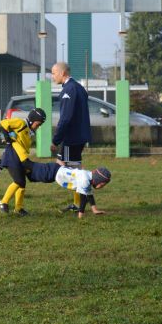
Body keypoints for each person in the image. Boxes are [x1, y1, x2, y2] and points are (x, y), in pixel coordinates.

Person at [50, 61, 92, 213]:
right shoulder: (79, 87)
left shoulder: (68, 90)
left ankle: (82, 200)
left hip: (71, 138)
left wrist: (56, 140)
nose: (52, 76)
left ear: (62, 73)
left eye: (54, 73)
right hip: (80, 136)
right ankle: (79, 203)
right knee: (75, 169)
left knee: (63, 167)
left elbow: (66, 118)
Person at [0, 108, 46, 216]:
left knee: (22, 183)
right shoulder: (21, 122)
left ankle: (19, 208)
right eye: (38, 124)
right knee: (18, 181)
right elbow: (3, 123)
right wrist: (7, 137)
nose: (38, 127)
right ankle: (2, 202)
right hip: (12, 156)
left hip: (20, 158)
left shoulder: (30, 132)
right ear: (32, 120)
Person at [25, 161, 111, 218]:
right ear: (97, 179)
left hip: (55, 172)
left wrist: (94, 209)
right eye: (102, 184)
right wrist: (81, 214)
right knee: (30, 170)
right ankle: (20, 164)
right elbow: (83, 198)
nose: (102, 186)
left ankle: (22, 166)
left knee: (32, 175)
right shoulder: (85, 179)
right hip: (52, 172)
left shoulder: (88, 177)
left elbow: (89, 194)